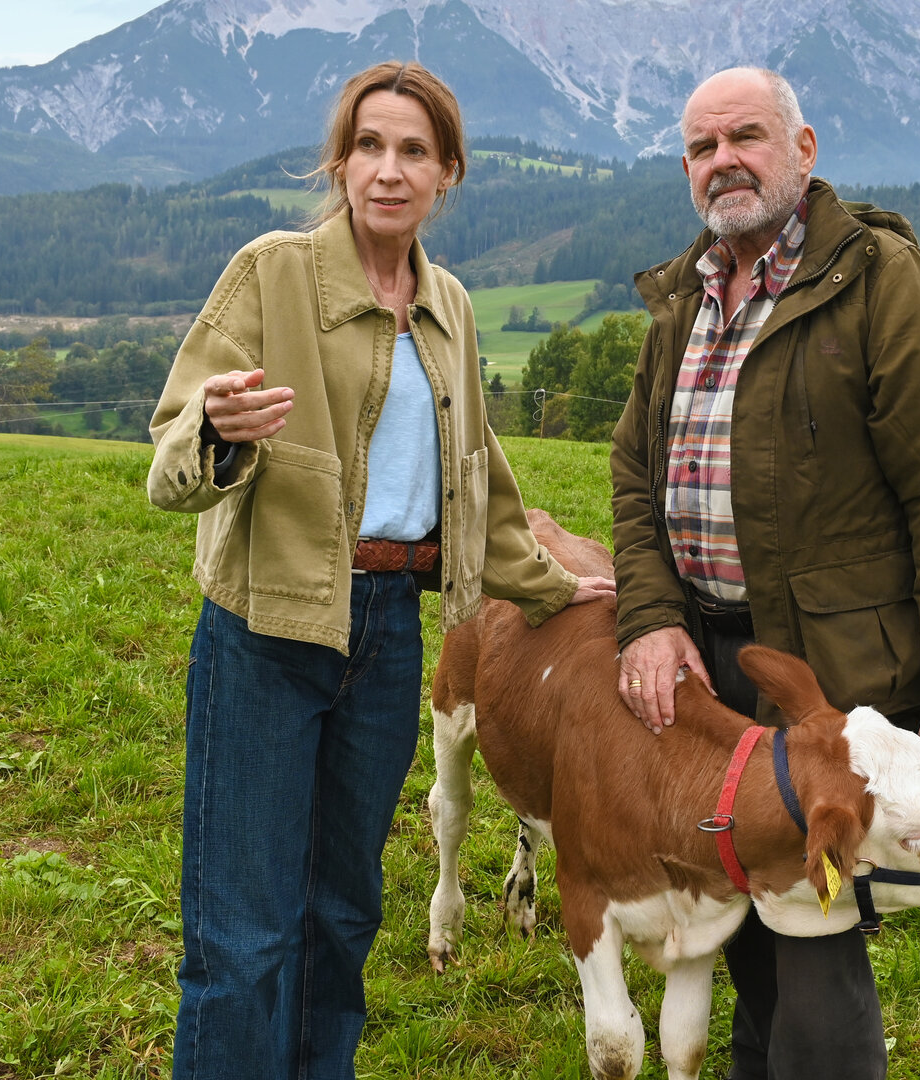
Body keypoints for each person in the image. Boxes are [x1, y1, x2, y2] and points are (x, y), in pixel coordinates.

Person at [146, 60, 612, 1080]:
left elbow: (476, 477)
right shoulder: (270, 271)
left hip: (390, 633)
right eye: (367, 146)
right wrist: (218, 431)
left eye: (412, 151)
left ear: (447, 173)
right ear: (338, 162)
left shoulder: (448, 302)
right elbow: (171, 458)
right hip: (266, 632)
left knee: (344, 912)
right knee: (242, 931)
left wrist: (551, 585)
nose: (386, 170)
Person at [609, 67, 920, 1080]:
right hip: (708, 662)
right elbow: (631, 478)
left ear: (804, 149)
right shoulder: (683, 301)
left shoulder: (875, 279)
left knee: (813, 934)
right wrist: (651, 618)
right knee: (740, 900)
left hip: (828, 674)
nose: (722, 161)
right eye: (701, 147)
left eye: (744, 135)